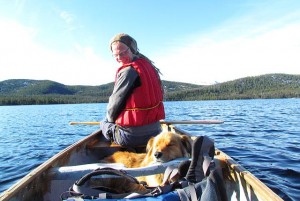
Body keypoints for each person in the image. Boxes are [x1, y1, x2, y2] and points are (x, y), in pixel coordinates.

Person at [100, 33, 165, 147]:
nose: (119, 58)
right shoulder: (149, 66)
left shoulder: (128, 71)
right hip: (156, 132)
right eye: (115, 55)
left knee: (104, 122)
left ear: (132, 50)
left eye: (123, 53)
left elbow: (114, 104)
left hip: (131, 137)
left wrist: (110, 121)